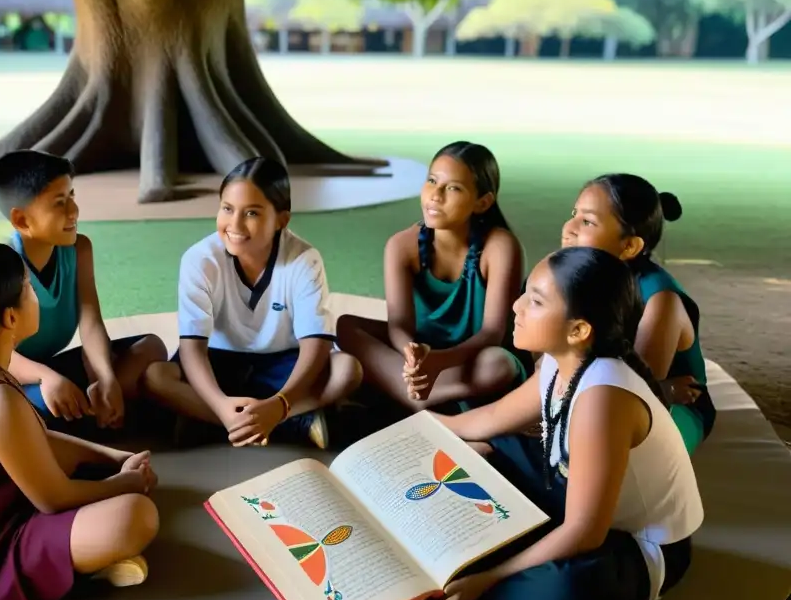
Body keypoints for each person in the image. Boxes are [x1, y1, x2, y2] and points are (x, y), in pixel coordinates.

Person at [429, 247, 703, 600]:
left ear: (578, 330)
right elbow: (481, 421)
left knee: (565, 591)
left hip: (638, 546)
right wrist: (411, 432)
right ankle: (497, 574)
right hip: (578, 498)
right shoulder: (562, 363)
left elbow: (584, 532)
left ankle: (468, 588)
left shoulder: (604, 396)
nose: (517, 306)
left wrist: (489, 578)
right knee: (487, 450)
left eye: (536, 301)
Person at [0, 243, 159, 600]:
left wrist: (114, 459)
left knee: (98, 476)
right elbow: (52, 500)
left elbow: (36, 442)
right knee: (136, 516)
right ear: (10, 318)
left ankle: (80, 558)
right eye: (29, 289)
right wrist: (125, 483)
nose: (36, 296)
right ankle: (82, 568)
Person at [143, 156, 363, 450]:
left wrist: (282, 403)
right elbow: (193, 348)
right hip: (218, 363)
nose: (235, 224)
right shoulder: (199, 259)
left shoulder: (303, 260)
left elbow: (316, 345)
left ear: (281, 221)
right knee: (156, 377)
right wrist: (220, 404)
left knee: (348, 370)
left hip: (284, 363)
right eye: (227, 209)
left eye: (252, 213)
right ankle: (260, 421)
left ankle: (250, 419)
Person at [336, 141, 529, 416]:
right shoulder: (401, 246)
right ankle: (425, 396)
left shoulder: (500, 248)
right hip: (425, 355)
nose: (435, 195)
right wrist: (411, 355)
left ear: (482, 202)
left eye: (453, 188)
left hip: (471, 358)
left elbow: (492, 334)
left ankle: (413, 398)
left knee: (499, 364)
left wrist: (438, 362)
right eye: (432, 181)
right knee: (347, 326)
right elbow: (399, 325)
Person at [0, 149, 168, 438]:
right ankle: (104, 416)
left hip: (56, 370)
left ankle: (96, 410)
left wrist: (107, 377)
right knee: (30, 411)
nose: (73, 211)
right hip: (18, 379)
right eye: (59, 203)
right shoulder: (1, 265)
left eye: (71, 196)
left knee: (151, 346)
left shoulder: (78, 249)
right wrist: (47, 378)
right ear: (22, 221)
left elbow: (91, 322)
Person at [562, 174, 714, 453]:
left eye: (587, 222)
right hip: (602, 388)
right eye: (574, 214)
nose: (568, 228)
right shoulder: (574, 276)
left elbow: (638, 388)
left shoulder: (660, 299)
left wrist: (665, 390)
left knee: (614, 438)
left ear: (630, 246)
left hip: (672, 403)